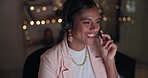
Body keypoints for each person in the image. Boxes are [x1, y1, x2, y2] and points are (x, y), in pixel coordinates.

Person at [38, 0, 120, 78]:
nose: (95, 28)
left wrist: (109, 60)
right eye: (87, 22)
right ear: (68, 25)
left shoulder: (101, 48)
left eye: (97, 21)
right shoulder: (50, 60)